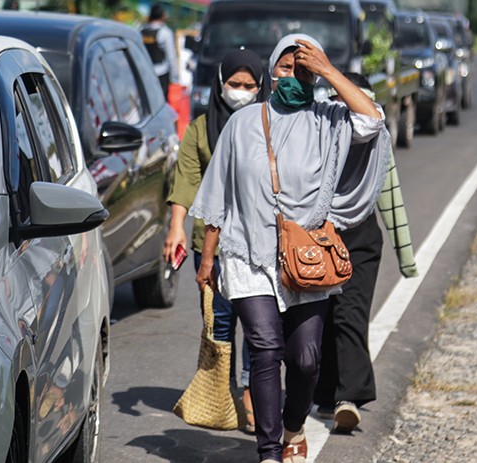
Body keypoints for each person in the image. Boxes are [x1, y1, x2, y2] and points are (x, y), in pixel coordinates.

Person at [190, 34, 389, 463]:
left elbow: (372, 120)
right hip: (248, 255)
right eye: (286, 66)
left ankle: (294, 425)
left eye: (303, 68)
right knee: (265, 348)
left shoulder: (329, 120)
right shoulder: (243, 124)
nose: (294, 75)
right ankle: (267, 450)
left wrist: (328, 71)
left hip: (305, 258)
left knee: (304, 359)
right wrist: (208, 258)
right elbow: (218, 195)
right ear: (271, 73)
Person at [164, 48, 268, 434]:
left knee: (258, 323)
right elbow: (187, 180)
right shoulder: (201, 129)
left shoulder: (268, 126)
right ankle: (221, 391)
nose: (240, 92)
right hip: (209, 244)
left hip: (258, 242)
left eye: (249, 86)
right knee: (219, 322)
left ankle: (253, 392)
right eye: (233, 84)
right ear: (219, 84)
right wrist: (176, 227)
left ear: (261, 88)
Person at [313, 73, 419, 434]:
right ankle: (326, 393)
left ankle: (350, 396)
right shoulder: (318, 138)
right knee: (322, 318)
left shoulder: (378, 144)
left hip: (360, 238)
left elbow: (391, 198)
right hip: (319, 237)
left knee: (350, 314)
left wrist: (406, 258)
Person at [140, 3, 178, 99]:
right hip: (160, 76)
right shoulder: (165, 32)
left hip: (143, 74)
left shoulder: (140, 31)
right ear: (162, 16)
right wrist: (174, 79)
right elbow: (171, 58)